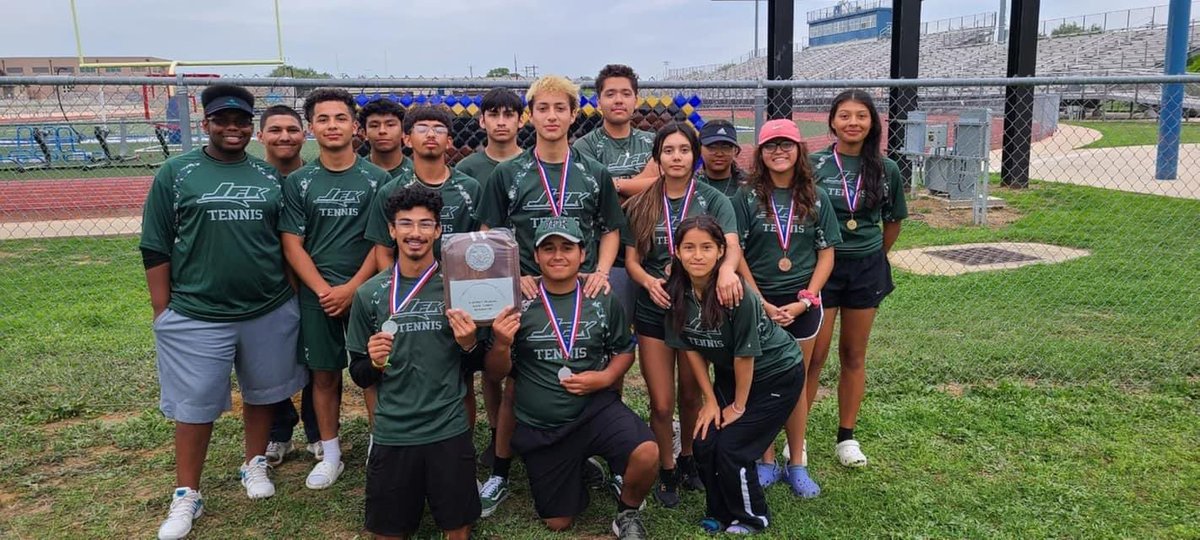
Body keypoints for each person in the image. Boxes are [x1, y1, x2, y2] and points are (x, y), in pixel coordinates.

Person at [142, 84, 308, 540]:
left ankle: (254, 463)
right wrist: (163, 311)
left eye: (240, 122)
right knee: (195, 406)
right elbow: (155, 245)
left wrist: (289, 298)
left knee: (262, 392)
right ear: (206, 122)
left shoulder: (270, 176)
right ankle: (186, 493)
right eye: (222, 121)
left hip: (267, 307)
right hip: (197, 311)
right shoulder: (177, 173)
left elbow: (288, 243)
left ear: (250, 127)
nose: (232, 129)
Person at [475, 74, 627, 517]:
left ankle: (596, 451)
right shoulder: (509, 173)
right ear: (531, 116)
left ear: (573, 114)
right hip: (526, 287)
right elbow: (489, 233)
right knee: (515, 381)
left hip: (582, 286)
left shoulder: (592, 171)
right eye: (543, 108)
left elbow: (611, 229)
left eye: (561, 108)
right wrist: (512, 274)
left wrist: (600, 270)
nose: (552, 116)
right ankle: (500, 472)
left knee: (600, 370)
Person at [485, 218, 656, 539]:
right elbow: (496, 375)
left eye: (567, 247)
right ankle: (576, 466)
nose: (558, 255)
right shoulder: (518, 301)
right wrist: (502, 343)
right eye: (548, 248)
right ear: (535, 256)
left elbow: (624, 351)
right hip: (543, 426)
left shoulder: (601, 297)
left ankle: (627, 512)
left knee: (647, 452)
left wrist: (605, 377)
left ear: (582, 254)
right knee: (559, 522)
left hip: (594, 410)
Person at [346, 187, 484, 540]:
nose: (415, 233)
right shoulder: (369, 294)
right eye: (405, 224)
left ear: (439, 231)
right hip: (394, 432)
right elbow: (359, 373)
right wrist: (374, 363)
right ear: (391, 230)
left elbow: (480, 363)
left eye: (426, 224)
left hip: (448, 429)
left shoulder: (459, 288)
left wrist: (469, 343)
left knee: (458, 531)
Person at [621, 122, 741, 507]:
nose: (676, 157)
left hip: (696, 311)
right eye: (668, 151)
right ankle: (668, 468)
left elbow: (733, 248)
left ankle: (689, 457)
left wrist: (724, 271)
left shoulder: (713, 200)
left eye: (684, 150)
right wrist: (647, 282)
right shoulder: (642, 202)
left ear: (695, 155)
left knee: (692, 396)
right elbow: (632, 260)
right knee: (661, 401)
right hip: (655, 309)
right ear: (657, 157)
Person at [664, 216, 806, 535]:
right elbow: (690, 349)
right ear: (676, 252)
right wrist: (711, 401)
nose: (697, 255)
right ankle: (719, 510)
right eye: (689, 247)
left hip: (775, 374)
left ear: (719, 253)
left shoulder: (733, 292)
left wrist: (738, 407)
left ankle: (751, 517)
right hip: (731, 377)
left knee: (732, 447)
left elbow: (745, 355)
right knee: (703, 442)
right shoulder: (676, 293)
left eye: (706, 247)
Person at [280, 87, 389, 490]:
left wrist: (354, 288)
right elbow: (293, 244)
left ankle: (383, 443)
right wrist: (325, 289)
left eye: (340, 118)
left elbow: (382, 242)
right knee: (324, 377)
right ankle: (331, 453)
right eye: (322, 119)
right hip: (318, 296)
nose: (332, 125)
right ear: (311, 128)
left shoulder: (378, 180)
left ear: (354, 126)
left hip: (366, 292)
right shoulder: (300, 182)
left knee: (375, 371)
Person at [732, 119, 842, 497]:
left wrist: (806, 299)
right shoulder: (746, 198)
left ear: (799, 150)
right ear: (760, 153)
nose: (779, 152)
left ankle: (797, 463)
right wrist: (759, 301)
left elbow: (826, 255)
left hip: (803, 303)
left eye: (786, 145)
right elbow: (737, 254)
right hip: (758, 301)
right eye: (770, 146)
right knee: (763, 383)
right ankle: (766, 460)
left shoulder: (816, 197)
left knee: (794, 384)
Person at [808, 89, 907, 468]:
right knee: (813, 356)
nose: (853, 123)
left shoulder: (887, 168)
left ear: (872, 123)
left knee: (852, 354)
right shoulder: (814, 164)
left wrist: (873, 253)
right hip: (821, 268)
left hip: (865, 267)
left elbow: (893, 220)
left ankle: (846, 436)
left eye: (861, 116)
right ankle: (795, 439)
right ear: (832, 122)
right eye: (845, 116)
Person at [257, 105, 322, 465]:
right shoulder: (253, 179)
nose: (285, 136)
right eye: (276, 129)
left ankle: (317, 430)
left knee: (316, 361)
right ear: (261, 135)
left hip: (311, 282)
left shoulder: (316, 177)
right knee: (267, 360)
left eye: (293, 129)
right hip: (267, 286)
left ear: (304, 133)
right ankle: (279, 431)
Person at [572, 64, 658, 329]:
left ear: (636, 99)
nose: (618, 100)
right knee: (611, 334)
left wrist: (616, 183)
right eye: (610, 94)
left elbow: (664, 185)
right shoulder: (584, 145)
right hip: (606, 257)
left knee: (654, 335)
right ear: (599, 102)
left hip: (652, 254)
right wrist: (641, 182)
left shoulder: (654, 141)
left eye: (625, 93)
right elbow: (595, 193)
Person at [365, 105, 481, 270]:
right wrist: (397, 289)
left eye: (439, 129)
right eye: (422, 128)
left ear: (449, 142)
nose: (431, 134)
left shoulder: (471, 188)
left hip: (458, 284)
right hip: (410, 288)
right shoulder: (391, 191)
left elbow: (480, 243)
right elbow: (384, 252)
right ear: (407, 140)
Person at [455, 87, 525, 184]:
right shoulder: (465, 169)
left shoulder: (536, 166)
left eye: (508, 115)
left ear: (521, 120)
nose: (501, 122)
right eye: (493, 115)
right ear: (482, 121)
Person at [358, 97, 413, 178]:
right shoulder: (355, 173)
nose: (382, 131)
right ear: (364, 133)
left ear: (403, 131)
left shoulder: (417, 174)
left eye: (390, 125)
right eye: (374, 125)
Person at [696, 119, 746, 198]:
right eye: (712, 147)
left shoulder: (749, 186)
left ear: (735, 150)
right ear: (699, 149)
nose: (719, 154)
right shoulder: (690, 185)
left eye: (726, 147)